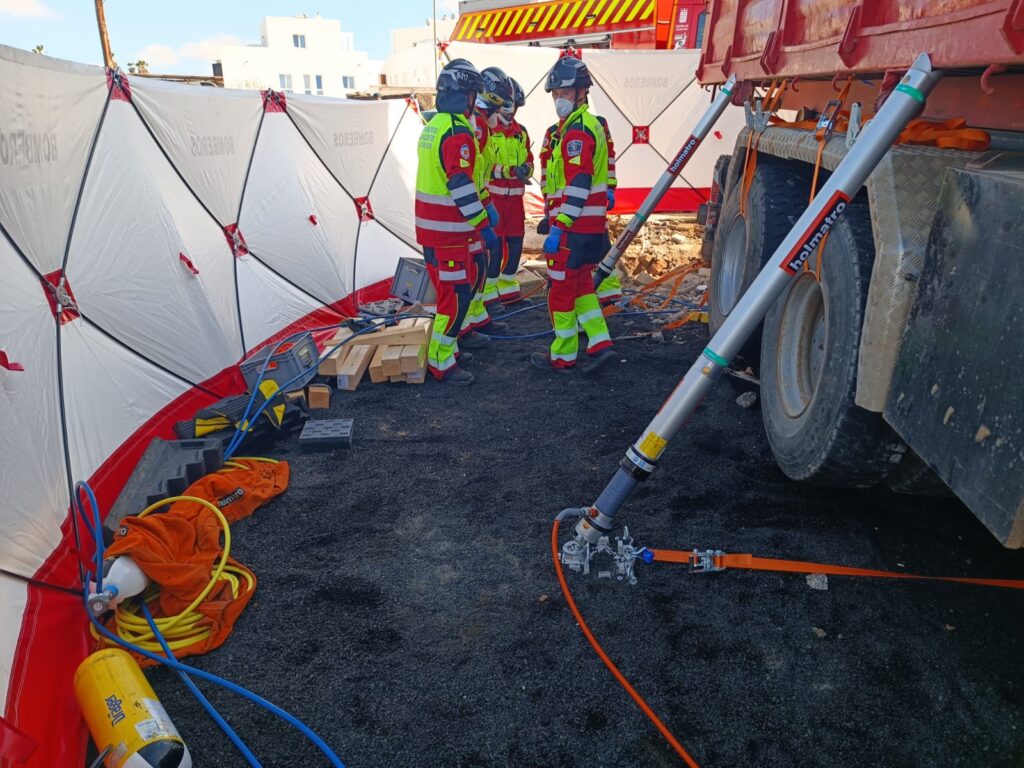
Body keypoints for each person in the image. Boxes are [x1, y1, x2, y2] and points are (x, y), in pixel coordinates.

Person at [414, 59, 500, 385]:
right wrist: (484, 225)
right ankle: (442, 361)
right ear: (465, 96)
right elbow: (460, 184)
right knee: (456, 296)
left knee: (454, 293)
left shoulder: (433, 126)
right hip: (448, 233)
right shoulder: (457, 132)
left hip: (434, 231)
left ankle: (447, 351)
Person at [532, 57, 616, 374]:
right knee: (582, 288)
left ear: (581, 92)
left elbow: (578, 184)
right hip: (590, 228)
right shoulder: (584, 126)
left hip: (574, 230)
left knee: (561, 293)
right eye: (555, 94)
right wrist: (551, 215)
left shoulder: (576, 133)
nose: (558, 99)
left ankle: (563, 355)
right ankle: (600, 342)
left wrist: (560, 226)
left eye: (564, 92)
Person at [460, 67, 510, 336]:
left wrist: (487, 201)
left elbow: (481, 172)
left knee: (479, 264)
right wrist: (482, 211)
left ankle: (477, 315)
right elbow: (467, 175)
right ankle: (467, 323)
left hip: (477, 205)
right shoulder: (475, 126)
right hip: (467, 212)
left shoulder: (480, 125)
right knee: (473, 267)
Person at [485, 77, 533, 308]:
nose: (510, 113)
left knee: (515, 245)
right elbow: (485, 168)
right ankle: (489, 290)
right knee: (494, 247)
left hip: (515, 200)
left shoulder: (521, 133)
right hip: (493, 199)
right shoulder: (487, 130)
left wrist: (527, 169)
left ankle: (507, 284)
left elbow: (529, 159)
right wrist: (511, 170)